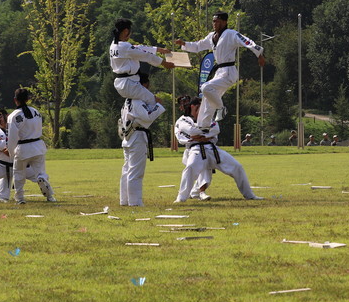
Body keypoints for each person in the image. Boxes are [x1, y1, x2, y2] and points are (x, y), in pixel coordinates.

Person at [176, 12, 265, 130]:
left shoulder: (231, 34)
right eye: (213, 21)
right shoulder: (211, 36)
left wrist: (259, 54)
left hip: (229, 72)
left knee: (206, 88)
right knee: (207, 101)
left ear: (224, 22)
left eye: (216, 21)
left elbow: (247, 41)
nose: (214, 23)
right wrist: (184, 44)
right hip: (219, 72)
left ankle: (221, 108)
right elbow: (198, 46)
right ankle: (203, 128)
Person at [175, 96, 264, 203]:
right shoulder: (183, 120)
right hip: (196, 150)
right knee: (190, 169)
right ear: (193, 107)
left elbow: (215, 129)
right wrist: (205, 134)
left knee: (237, 167)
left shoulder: (208, 118)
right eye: (201, 107)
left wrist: (201, 135)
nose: (204, 110)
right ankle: (181, 198)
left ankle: (249, 195)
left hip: (213, 149)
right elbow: (191, 131)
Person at [119, 73, 166, 206]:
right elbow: (148, 116)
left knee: (127, 170)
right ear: (142, 86)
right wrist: (158, 105)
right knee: (135, 172)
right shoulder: (137, 101)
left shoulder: (127, 100)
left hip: (128, 137)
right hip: (136, 137)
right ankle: (135, 202)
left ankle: (125, 200)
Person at [5, 88, 55, 204]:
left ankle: (20, 198)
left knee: (19, 175)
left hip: (23, 148)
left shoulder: (13, 116)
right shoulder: (36, 112)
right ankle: (49, 196)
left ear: (15, 100)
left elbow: (12, 138)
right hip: (38, 146)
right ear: (28, 99)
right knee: (41, 172)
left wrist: (11, 153)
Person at [110, 19, 174, 103]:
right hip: (129, 84)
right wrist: (164, 63)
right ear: (126, 31)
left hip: (124, 83)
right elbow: (145, 55)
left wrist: (159, 50)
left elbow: (138, 48)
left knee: (137, 105)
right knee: (156, 102)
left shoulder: (115, 45)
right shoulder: (125, 47)